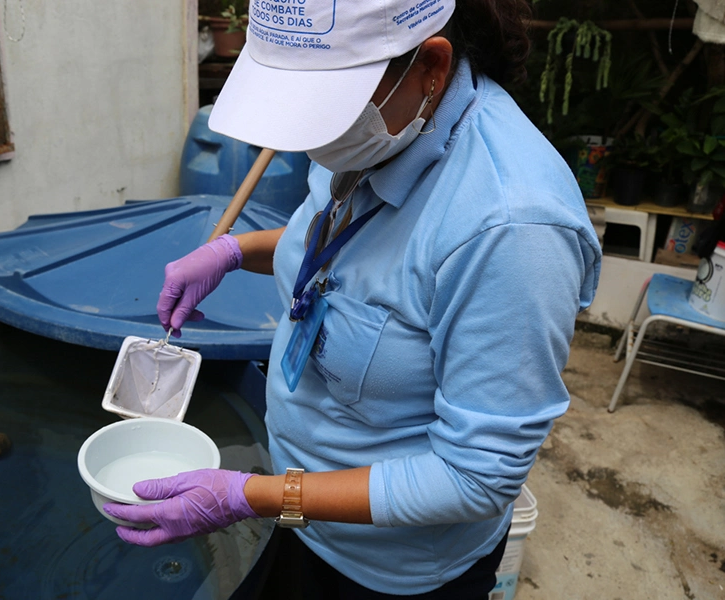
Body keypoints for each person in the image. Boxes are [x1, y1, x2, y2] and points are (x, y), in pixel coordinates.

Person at [102, 0, 602, 597]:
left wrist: (253, 496)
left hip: (393, 570)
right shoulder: (376, 134)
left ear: (431, 66)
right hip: (302, 506)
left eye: (324, 116)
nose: (310, 145)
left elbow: (476, 477)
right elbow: (344, 248)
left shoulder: (511, 231)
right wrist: (236, 252)